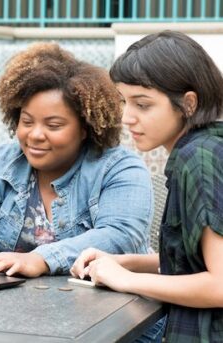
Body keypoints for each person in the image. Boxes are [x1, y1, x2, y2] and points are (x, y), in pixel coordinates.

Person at [0, 42, 152, 277]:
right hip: (11, 306)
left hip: (107, 306)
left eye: (53, 125)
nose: (36, 135)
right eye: (27, 122)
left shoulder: (120, 169)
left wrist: (41, 259)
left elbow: (120, 236)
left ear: (85, 129)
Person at [71, 31, 223, 342]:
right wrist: (127, 262)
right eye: (124, 102)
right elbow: (195, 259)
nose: (127, 118)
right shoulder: (205, 147)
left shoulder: (198, 160)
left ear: (188, 103)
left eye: (143, 105)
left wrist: (126, 279)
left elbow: (219, 285)